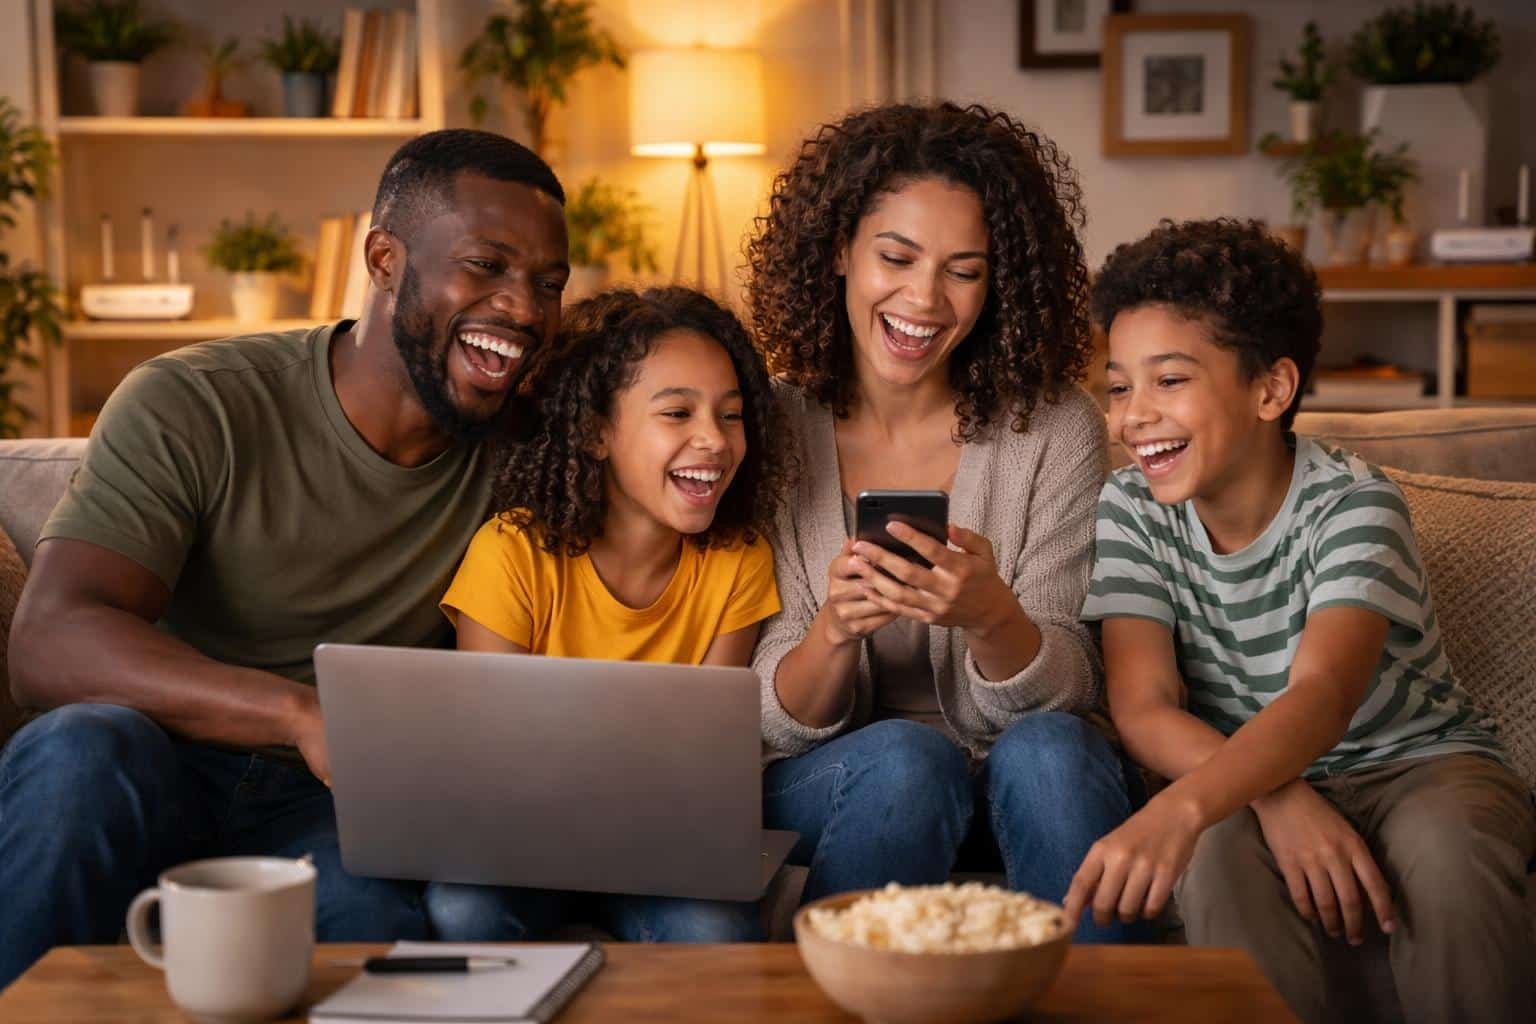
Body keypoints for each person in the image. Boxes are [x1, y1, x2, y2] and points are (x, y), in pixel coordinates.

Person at [0, 129, 571, 988]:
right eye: (486, 266)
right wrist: (302, 715)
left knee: (370, 923)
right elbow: (49, 640)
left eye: (548, 283)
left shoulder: (532, 453)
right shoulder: (198, 402)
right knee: (81, 750)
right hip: (158, 764)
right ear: (384, 259)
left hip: (337, 813)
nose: (525, 308)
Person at [1066, 218, 1536, 1023]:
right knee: (1211, 857)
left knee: (1448, 855)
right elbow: (1143, 706)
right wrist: (1274, 797)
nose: (1132, 416)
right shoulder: (1131, 509)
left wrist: (1182, 805)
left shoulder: (1356, 505)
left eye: (1169, 381)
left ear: (1271, 390)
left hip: (1417, 763)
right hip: (1240, 771)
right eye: (1118, 386)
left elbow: (1322, 696)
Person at [743, 101, 1139, 942]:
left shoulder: (1054, 429)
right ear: (839, 251)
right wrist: (834, 631)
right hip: (845, 782)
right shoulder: (768, 428)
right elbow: (765, 714)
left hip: (1016, 776)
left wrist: (992, 616)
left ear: (999, 284)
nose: (925, 299)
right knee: (906, 761)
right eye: (896, 256)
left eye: (964, 270)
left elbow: (1073, 684)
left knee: (1055, 752)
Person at [423, 286, 790, 942]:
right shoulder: (512, 552)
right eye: (677, 413)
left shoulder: (738, 560)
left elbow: (708, 758)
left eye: (731, 415)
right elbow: (494, 751)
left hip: (661, 843)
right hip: (525, 841)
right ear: (595, 431)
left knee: (716, 925)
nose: (713, 439)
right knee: (462, 905)